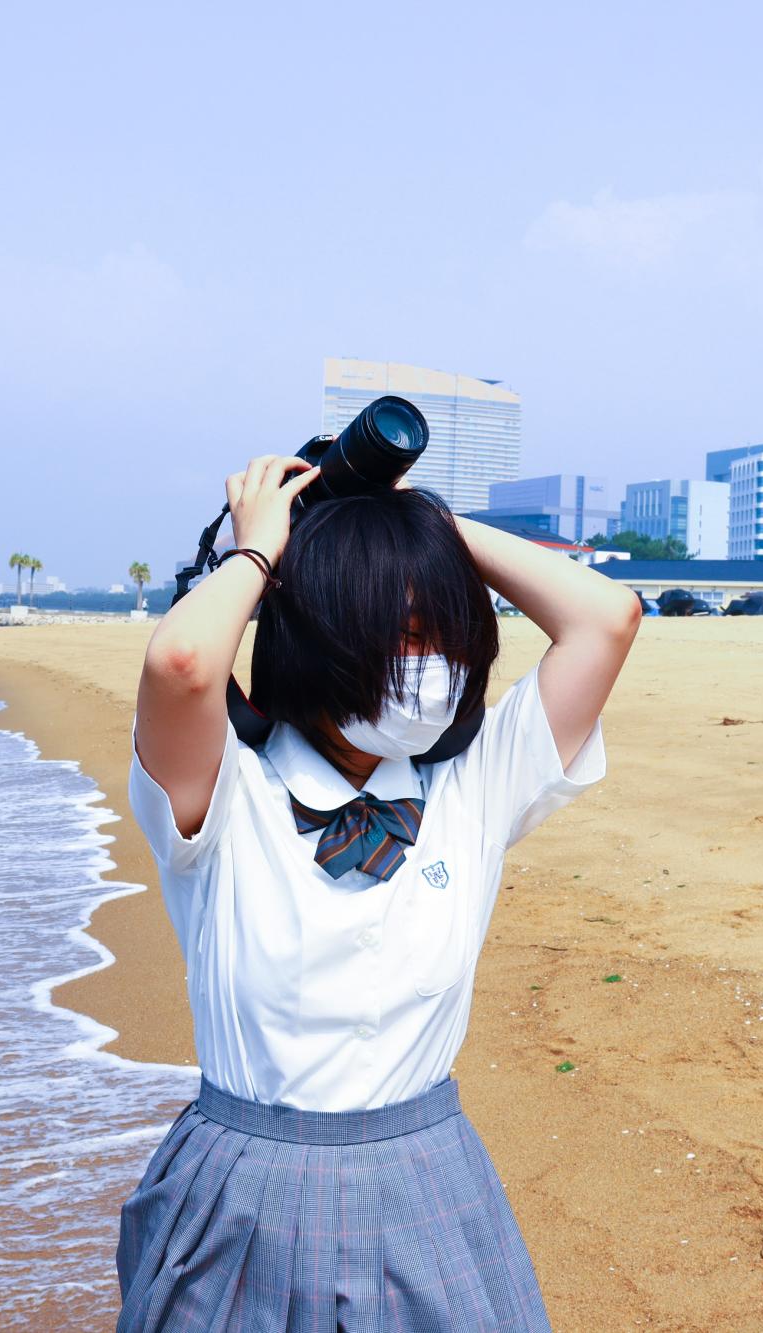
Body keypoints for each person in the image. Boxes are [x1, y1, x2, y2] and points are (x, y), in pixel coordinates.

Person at [118, 454, 641, 1330]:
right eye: (395, 634)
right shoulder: (224, 789)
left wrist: (412, 522)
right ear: (316, 634)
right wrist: (261, 550)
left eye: (439, 634)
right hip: (240, 1194)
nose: (426, 663)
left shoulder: (475, 786)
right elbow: (180, 660)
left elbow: (607, 616)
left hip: (427, 1182)